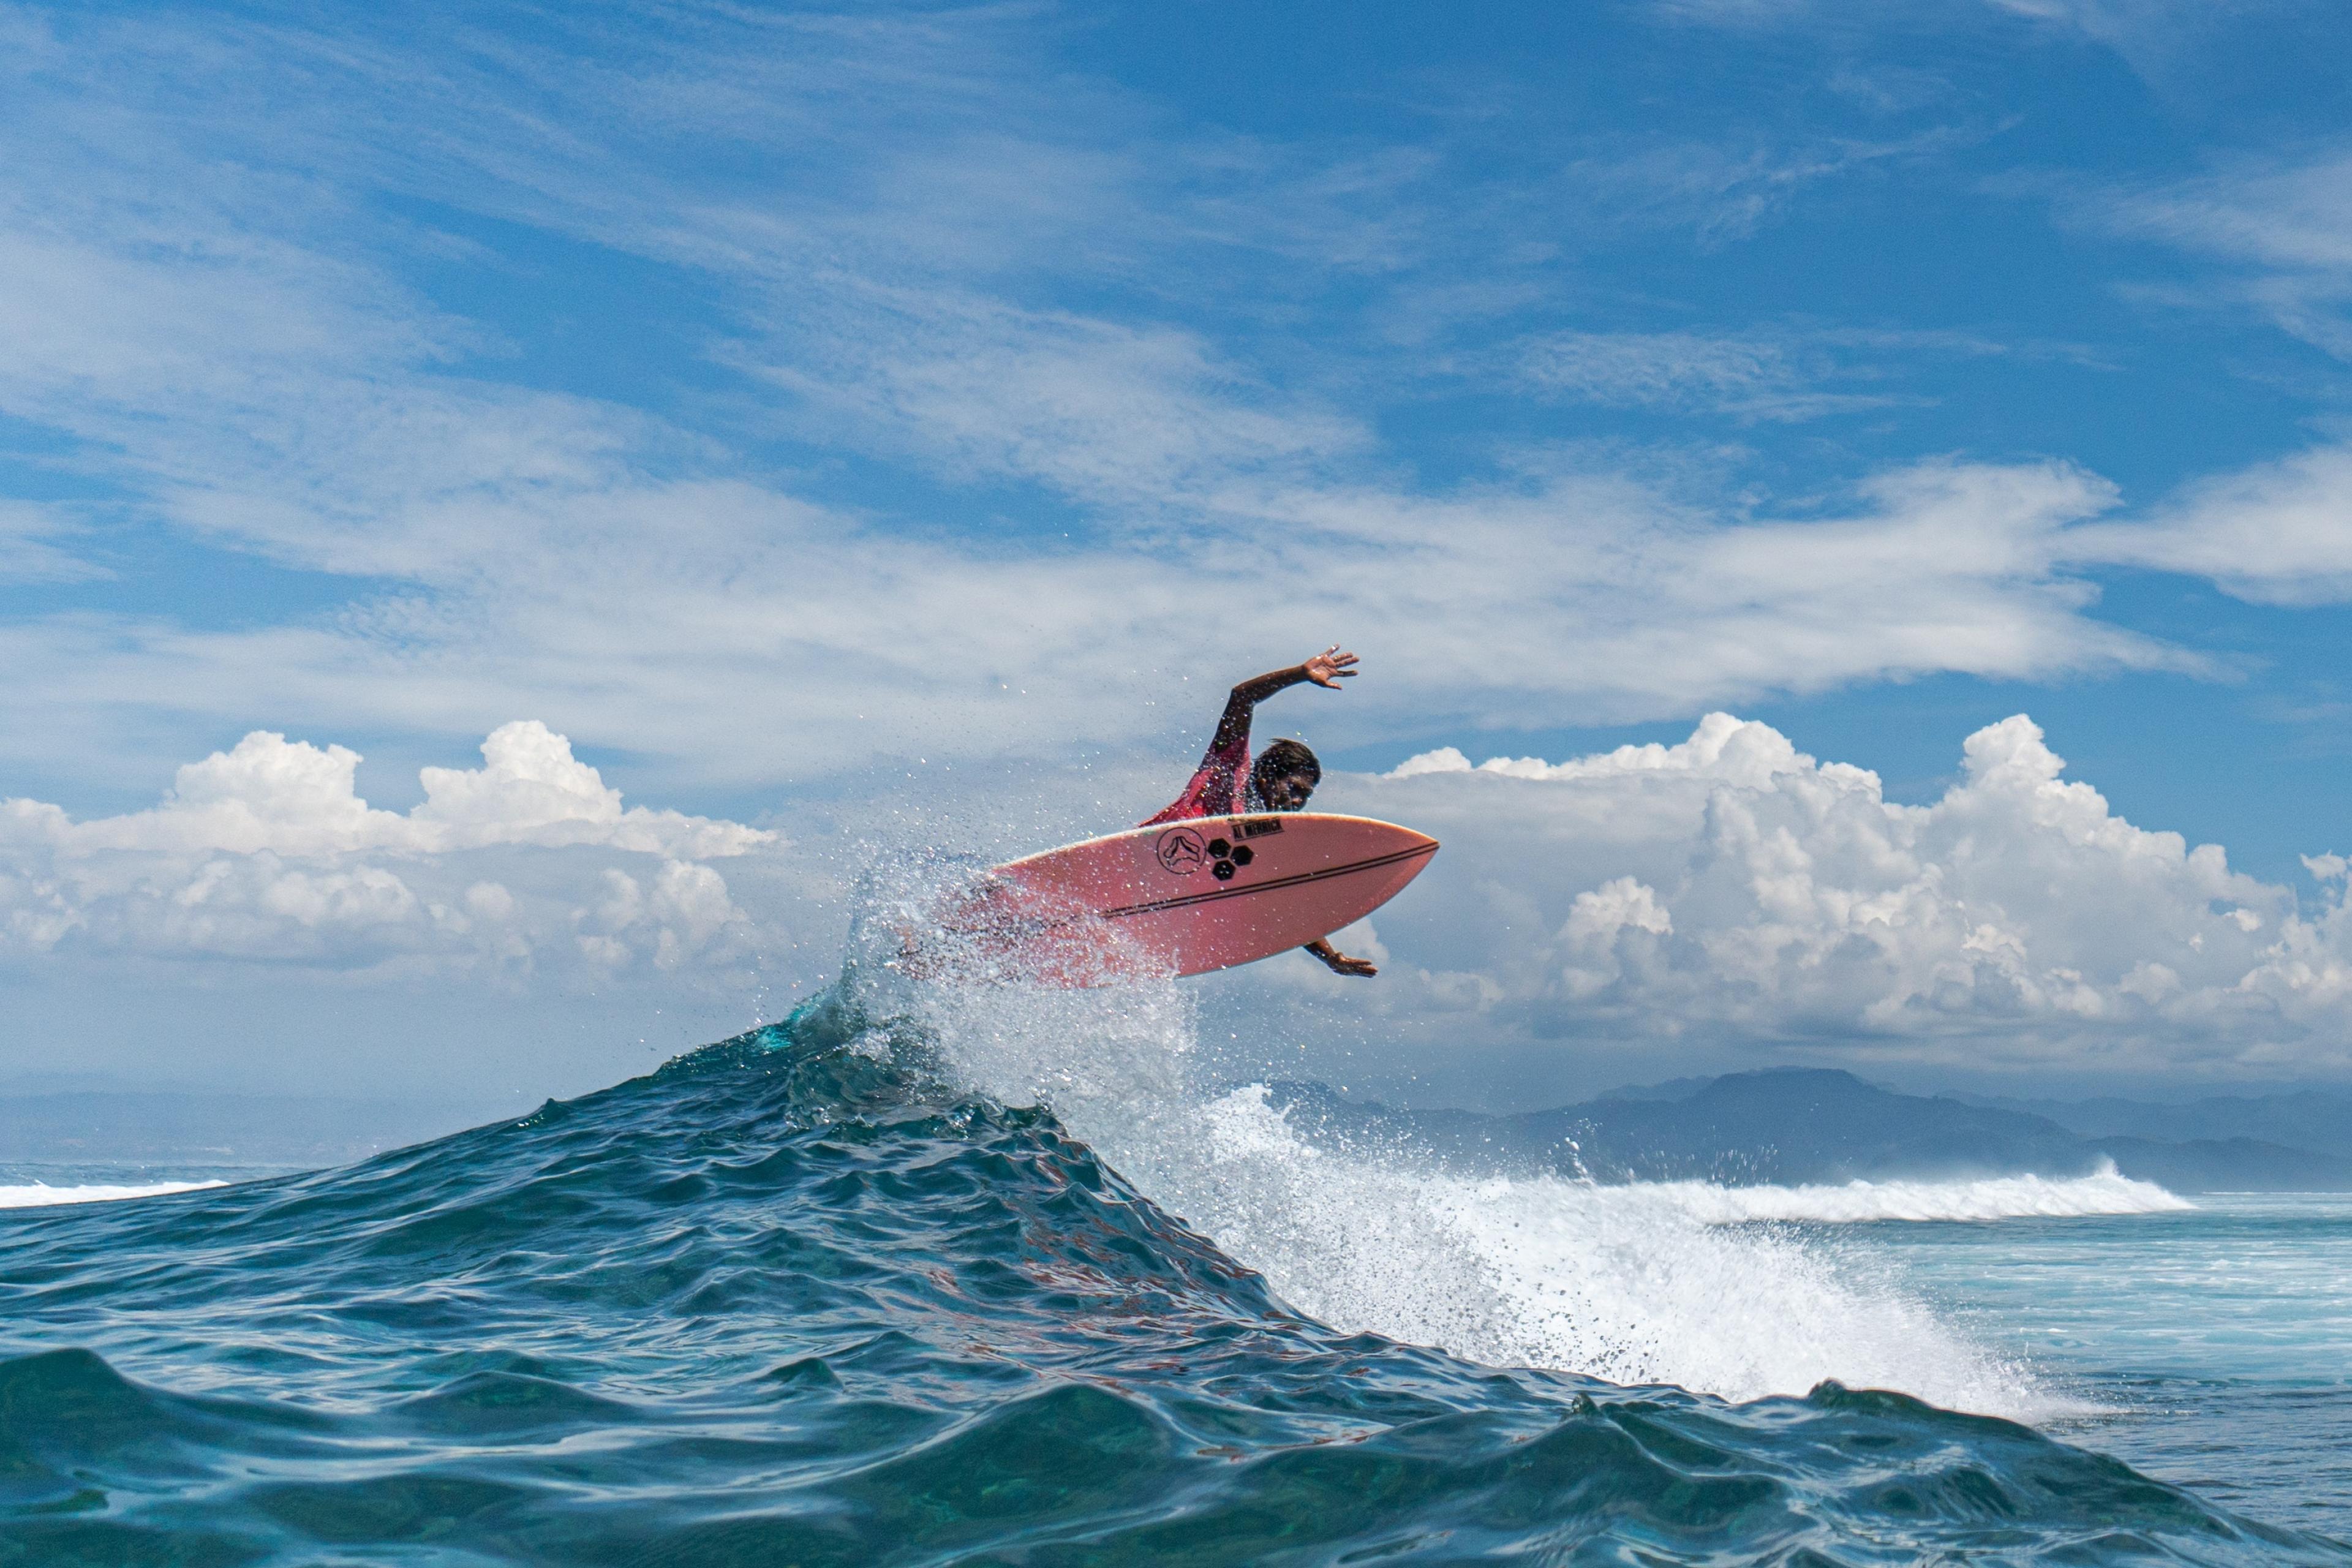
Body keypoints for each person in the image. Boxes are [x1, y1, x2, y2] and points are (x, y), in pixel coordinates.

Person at [1144, 647, 1379, 978]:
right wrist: (1299, 674)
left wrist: (1331, 957)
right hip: (1153, 854)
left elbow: (1281, 901)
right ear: (1267, 777)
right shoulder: (1230, 775)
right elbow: (1241, 697)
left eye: (1306, 796)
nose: (1299, 802)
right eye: (1295, 789)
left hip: (1180, 891)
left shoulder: (1263, 839)